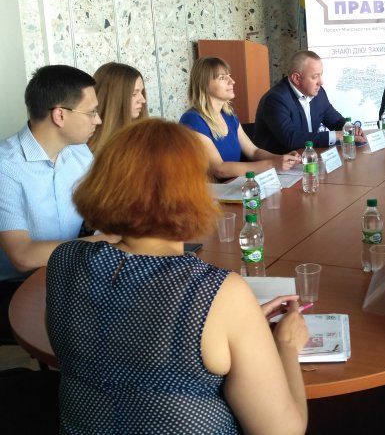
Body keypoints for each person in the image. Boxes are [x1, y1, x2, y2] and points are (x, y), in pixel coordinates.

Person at [46, 119, 308, 434]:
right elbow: (282, 431)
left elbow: (111, 345)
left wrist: (243, 325)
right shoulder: (217, 292)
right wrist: (286, 345)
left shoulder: (64, 260)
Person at [0, 65, 118, 341]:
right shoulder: (6, 167)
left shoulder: (79, 153)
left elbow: (104, 211)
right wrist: (108, 240)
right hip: (17, 288)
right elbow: (22, 256)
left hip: (68, 274)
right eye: (91, 112)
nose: (98, 120)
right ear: (60, 115)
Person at [180, 56, 300, 180]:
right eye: (222, 77)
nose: (232, 81)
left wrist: (281, 158)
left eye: (229, 76)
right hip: (208, 190)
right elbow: (219, 169)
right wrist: (272, 164)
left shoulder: (228, 115)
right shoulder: (192, 120)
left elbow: (253, 152)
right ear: (203, 84)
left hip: (232, 184)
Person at [252, 50, 365, 154]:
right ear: (296, 78)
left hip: (310, 156)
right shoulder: (275, 99)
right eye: (315, 77)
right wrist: (337, 135)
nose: (321, 82)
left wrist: (350, 129)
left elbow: (335, 120)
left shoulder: (319, 93)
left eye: (321, 75)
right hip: (280, 163)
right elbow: (292, 139)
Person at [87, 62, 148, 154]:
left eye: (142, 92)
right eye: (134, 94)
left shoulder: (147, 140)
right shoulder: (81, 150)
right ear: (113, 98)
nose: (143, 100)